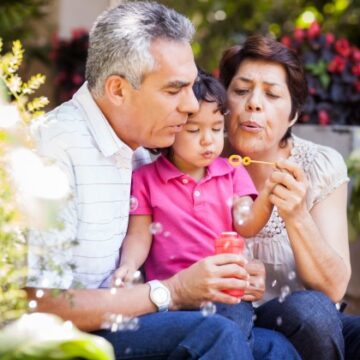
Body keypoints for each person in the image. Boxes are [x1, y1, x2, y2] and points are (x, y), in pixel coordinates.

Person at [25, 3, 300, 359]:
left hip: (129, 316)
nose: (189, 106)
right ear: (118, 90)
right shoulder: (53, 152)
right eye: (174, 90)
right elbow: (39, 305)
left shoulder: (143, 146)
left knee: (276, 347)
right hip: (74, 337)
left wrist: (236, 275)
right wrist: (172, 290)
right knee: (214, 334)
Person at [219, 34, 360, 360]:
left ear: (294, 115)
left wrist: (297, 215)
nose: (254, 102)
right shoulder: (201, 163)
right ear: (223, 101)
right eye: (241, 91)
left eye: (271, 94)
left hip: (311, 325)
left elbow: (334, 288)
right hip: (228, 317)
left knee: (311, 310)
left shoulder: (319, 165)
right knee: (306, 316)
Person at [116, 69, 274, 348]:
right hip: (173, 296)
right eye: (194, 130)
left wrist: (269, 195)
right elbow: (139, 235)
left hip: (223, 291)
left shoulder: (232, 172)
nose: (208, 140)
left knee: (232, 320)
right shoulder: (145, 179)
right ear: (172, 128)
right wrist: (128, 265)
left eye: (215, 128)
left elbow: (246, 222)